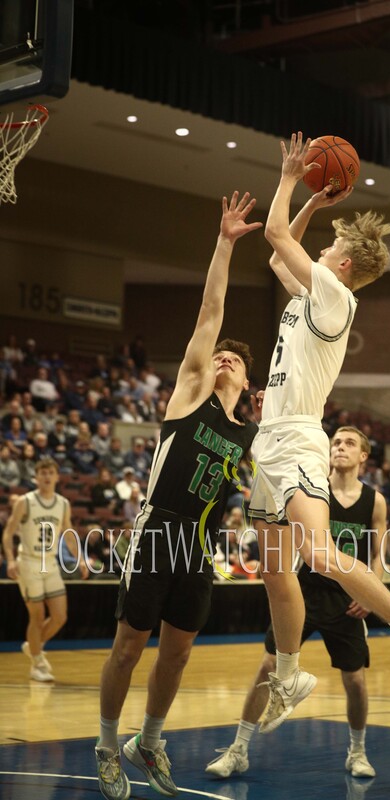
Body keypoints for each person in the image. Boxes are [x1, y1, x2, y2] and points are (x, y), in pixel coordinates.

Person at [248, 132, 390, 733]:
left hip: (295, 439)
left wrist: (294, 176)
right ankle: (288, 675)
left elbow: (273, 235)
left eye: (333, 243)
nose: (323, 244)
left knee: (317, 553)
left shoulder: (335, 295)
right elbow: (274, 257)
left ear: (342, 265)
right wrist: (318, 203)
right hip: (268, 444)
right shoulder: (313, 295)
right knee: (275, 569)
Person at [94, 191, 261, 800]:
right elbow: (210, 311)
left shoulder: (247, 433)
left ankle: (150, 739)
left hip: (200, 544)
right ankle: (108, 745)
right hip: (157, 528)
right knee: (128, 647)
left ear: (246, 381)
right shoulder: (189, 394)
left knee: (178, 654)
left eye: (235, 362)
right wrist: (224, 243)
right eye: (219, 355)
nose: (223, 358)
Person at [206, 426, 386, 779]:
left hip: (347, 599)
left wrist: (371, 592)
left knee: (356, 681)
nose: (339, 448)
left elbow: (378, 555)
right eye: (335, 442)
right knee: (268, 666)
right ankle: (238, 749)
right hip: (304, 590)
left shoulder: (374, 501)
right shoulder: (311, 489)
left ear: (364, 456)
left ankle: (357, 751)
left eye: (349, 443)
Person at [1, 458, 89, 681]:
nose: (47, 477)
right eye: (42, 473)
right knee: (37, 616)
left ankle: (33, 646)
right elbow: (8, 533)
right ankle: (37, 663)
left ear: (57, 477)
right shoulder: (25, 501)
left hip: (50, 563)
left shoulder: (63, 504)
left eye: (50, 472)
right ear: (36, 477)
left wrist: (80, 560)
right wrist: (10, 560)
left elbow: (68, 534)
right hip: (29, 562)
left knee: (60, 616)